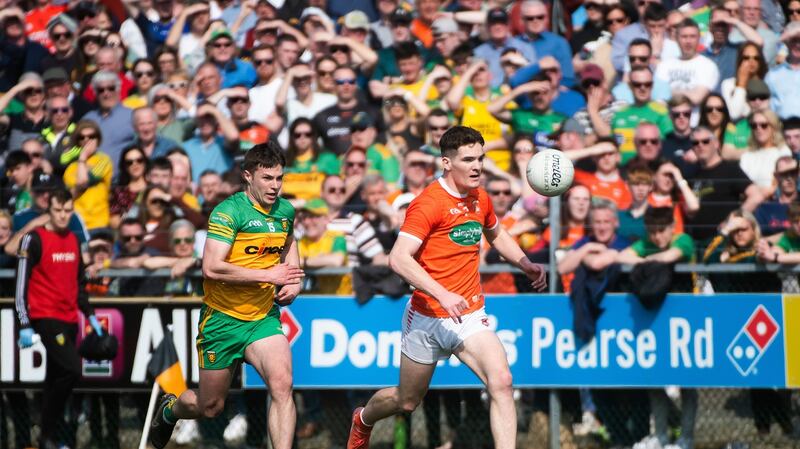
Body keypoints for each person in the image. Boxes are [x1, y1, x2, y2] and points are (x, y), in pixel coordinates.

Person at [347, 126, 547, 449]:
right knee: (407, 400)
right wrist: (441, 293)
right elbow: (398, 259)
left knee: (502, 381)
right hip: (426, 317)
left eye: (480, 158)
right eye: (468, 159)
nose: (477, 166)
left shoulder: (480, 197)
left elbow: (495, 232)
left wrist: (524, 262)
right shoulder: (428, 203)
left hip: (469, 314)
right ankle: (363, 419)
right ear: (446, 163)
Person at [148, 142, 304, 449]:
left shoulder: (285, 211)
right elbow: (212, 267)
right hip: (222, 321)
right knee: (210, 407)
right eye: (267, 178)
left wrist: (294, 279)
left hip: (262, 318)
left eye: (279, 178)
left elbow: (290, 242)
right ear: (248, 176)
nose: (275, 186)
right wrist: (268, 275)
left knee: (283, 385)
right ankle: (171, 410)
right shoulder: (228, 212)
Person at [15, 188, 105, 449]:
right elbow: (21, 284)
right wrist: (24, 323)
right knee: (72, 370)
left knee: (54, 379)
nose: (64, 216)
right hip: (45, 317)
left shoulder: (75, 241)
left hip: (70, 318)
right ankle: (47, 430)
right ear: (49, 210)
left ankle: (47, 438)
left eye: (68, 210)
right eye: (58, 210)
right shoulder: (33, 239)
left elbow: (77, 284)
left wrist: (90, 316)